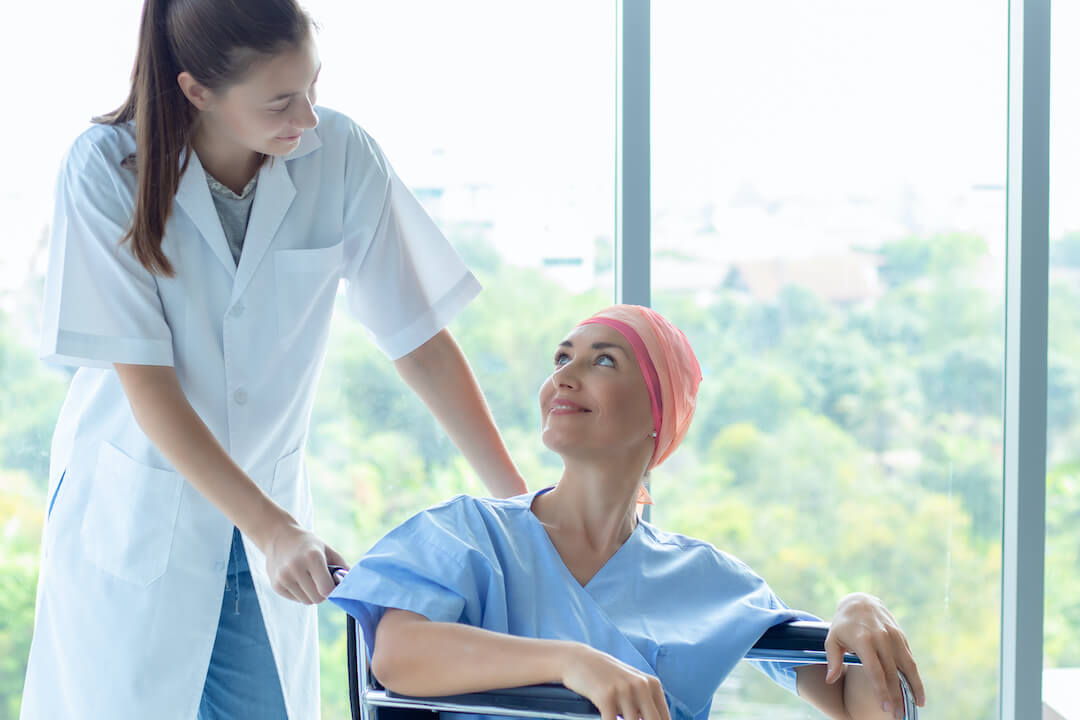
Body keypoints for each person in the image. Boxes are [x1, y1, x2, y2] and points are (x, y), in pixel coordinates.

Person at [21, 1, 527, 718]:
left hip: (266, 528)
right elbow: (149, 384)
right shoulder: (108, 168)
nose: (309, 118)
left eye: (313, 87)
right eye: (282, 100)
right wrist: (273, 529)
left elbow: (419, 341)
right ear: (197, 90)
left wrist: (520, 506)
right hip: (141, 516)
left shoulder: (342, 156)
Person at [330, 305, 928, 720]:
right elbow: (398, 656)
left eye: (604, 361)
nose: (565, 375)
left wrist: (856, 616)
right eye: (562, 358)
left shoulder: (709, 582)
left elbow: (860, 707)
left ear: (657, 417)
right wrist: (572, 664)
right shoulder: (465, 535)